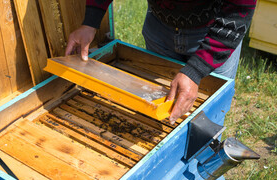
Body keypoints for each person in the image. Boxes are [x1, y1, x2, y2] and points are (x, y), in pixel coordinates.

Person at [65, 0, 256, 124]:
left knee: (208, 119)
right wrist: (90, 21)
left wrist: (197, 70)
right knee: (159, 107)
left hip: (213, 33)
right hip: (159, 28)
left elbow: (239, 11)